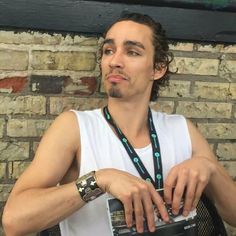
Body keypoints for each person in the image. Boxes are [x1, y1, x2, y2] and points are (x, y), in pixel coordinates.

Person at [2, 13, 236, 236]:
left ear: (157, 68)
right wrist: (98, 180)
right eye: (108, 50)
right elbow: (14, 221)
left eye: (132, 52)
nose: (115, 61)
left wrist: (210, 168)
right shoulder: (75, 127)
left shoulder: (181, 129)